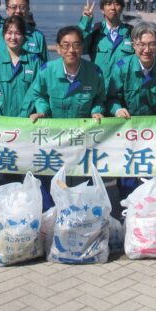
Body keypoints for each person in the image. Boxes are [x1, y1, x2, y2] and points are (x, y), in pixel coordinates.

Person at [24, 26, 106, 210]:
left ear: (82, 47)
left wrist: (97, 110)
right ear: (59, 49)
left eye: (76, 45)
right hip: (53, 138)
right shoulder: (47, 71)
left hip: (82, 139)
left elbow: (100, 97)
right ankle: (50, 218)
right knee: (50, 182)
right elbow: (39, 95)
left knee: (81, 185)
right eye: (66, 46)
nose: (71, 50)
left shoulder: (94, 72)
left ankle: (81, 220)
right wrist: (42, 111)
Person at [106, 22, 156, 204]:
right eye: (141, 45)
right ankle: (129, 218)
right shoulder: (121, 67)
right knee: (128, 183)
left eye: (152, 44)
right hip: (128, 134)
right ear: (134, 45)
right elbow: (110, 97)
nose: (146, 50)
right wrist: (117, 109)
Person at [0, 16, 40, 118]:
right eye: (9, 33)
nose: (13, 37)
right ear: (3, 35)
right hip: (0, 122)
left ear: (23, 36)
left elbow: (35, 92)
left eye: (18, 33)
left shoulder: (34, 61)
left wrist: (23, 117)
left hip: (26, 121)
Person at [79, 0, 135, 82]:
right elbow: (78, 48)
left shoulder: (131, 32)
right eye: (108, 4)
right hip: (99, 89)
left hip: (123, 91)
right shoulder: (94, 31)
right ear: (102, 10)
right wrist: (85, 21)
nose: (113, 8)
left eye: (116, 4)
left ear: (122, 8)